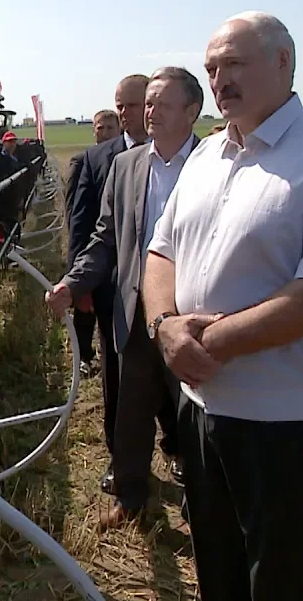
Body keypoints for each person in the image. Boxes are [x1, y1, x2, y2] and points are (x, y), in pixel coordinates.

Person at [144, 12, 303, 600]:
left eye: (234, 64)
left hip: (288, 420)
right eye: (211, 69)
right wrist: (164, 325)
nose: (220, 80)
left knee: (284, 582)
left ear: (282, 63)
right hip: (201, 408)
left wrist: (207, 343)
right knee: (218, 573)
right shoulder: (205, 156)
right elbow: (161, 253)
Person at [47, 67, 200, 527]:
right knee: (130, 415)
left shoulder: (214, 164)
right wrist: (73, 283)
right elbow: (104, 238)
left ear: (192, 111)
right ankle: (131, 501)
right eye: (148, 103)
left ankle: (202, 508)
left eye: (162, 104)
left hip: (194, 316)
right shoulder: (126, 166)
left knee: (195, 418)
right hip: (134, 314)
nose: (151, 112)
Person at [67, 74, 154, 496]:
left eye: (132, 105)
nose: (125, 113)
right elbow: (83, 226)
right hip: (115, 289)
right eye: (120, 106)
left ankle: (176, 449)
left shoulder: (189, 157)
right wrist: (79, 283)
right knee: (117, 378)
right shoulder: (98, 159)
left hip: (174, 293)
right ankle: (120, 459)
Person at [65, 109, 122, 376]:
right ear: (93, 131)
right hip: (92, 247)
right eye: (101, 128)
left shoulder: (134, 159)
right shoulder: (83, 161)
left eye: (111, 128)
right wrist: (76, 267)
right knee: (85, 309)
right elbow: (75, 214)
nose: (106, 133)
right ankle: (84, 355)